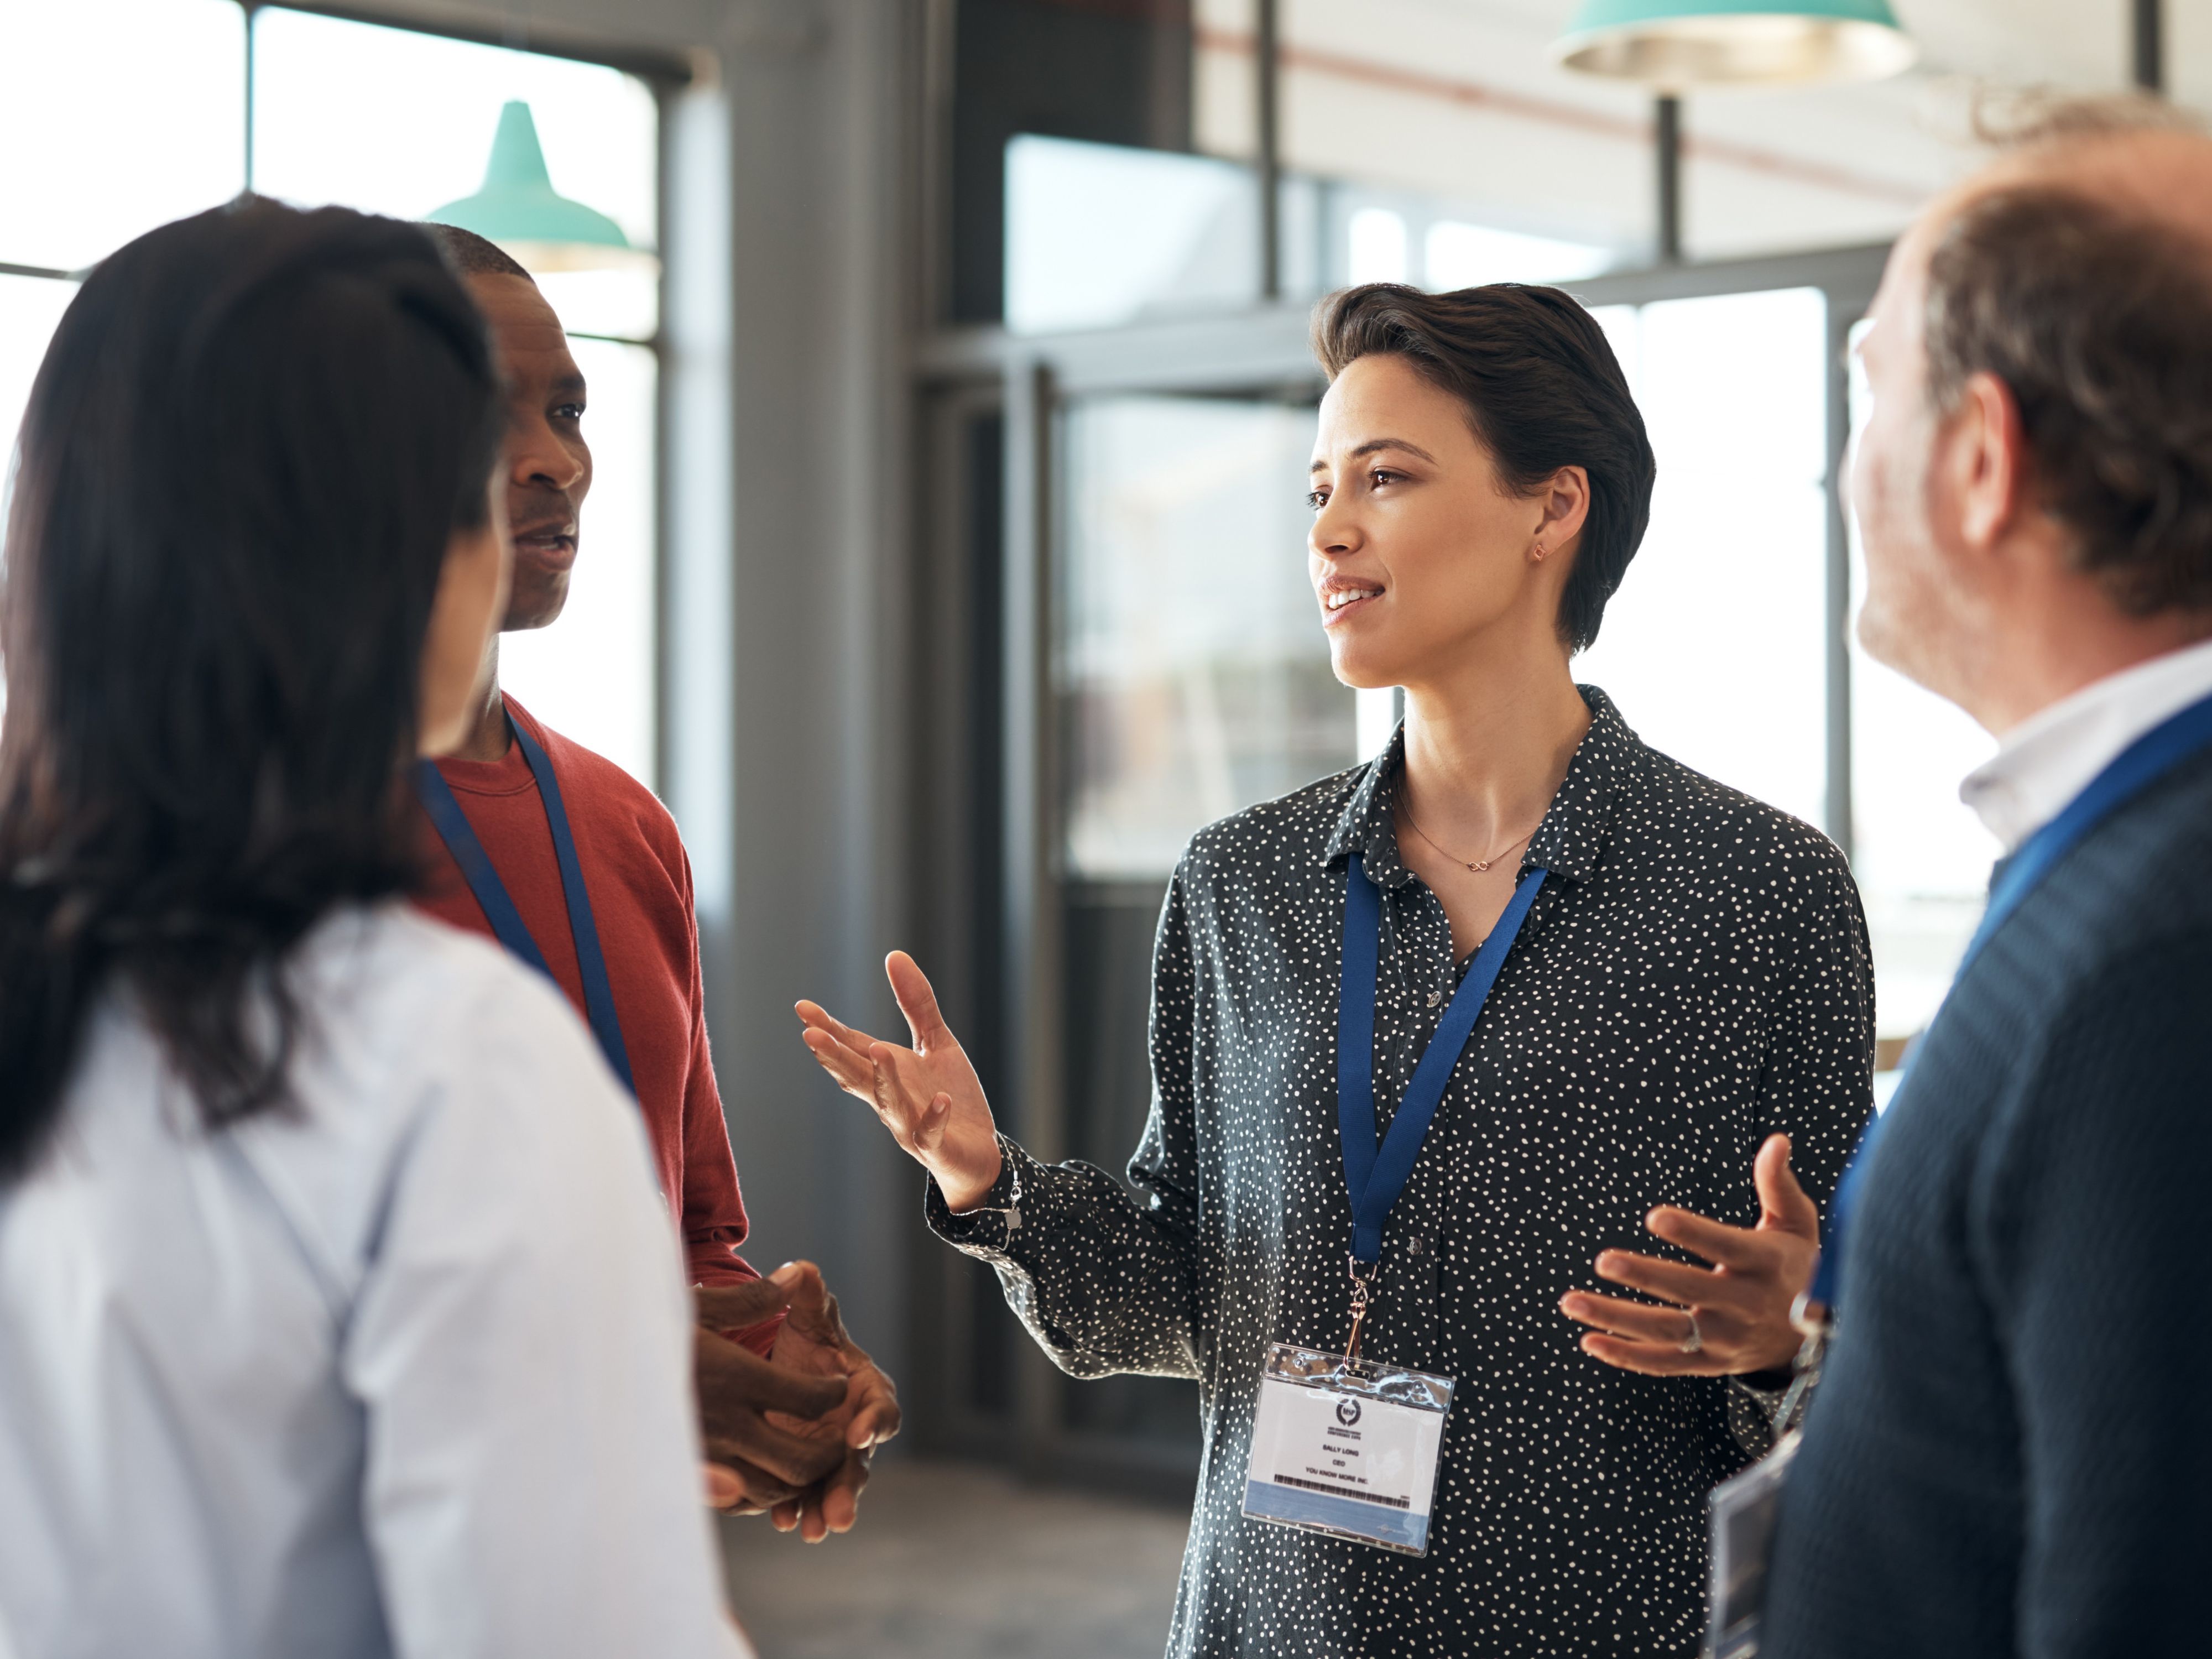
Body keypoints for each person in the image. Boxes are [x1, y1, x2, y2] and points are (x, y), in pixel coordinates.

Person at [799, 283, 1875, 1655]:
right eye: (1319, 489)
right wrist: (981, 1176)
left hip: (1610, 1622)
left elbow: (1868, 1345)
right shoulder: (1240, 885)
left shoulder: (1757, 891)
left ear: (1552, 508)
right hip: (1276, 1621)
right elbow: (1180, 1297)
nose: (1326, 531)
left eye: (1385, 478)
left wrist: (1796, 1333)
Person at [0, 200, 766, 1655]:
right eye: (456, 451)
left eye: (567, 413)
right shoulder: (443, 1064)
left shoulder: (59, 975)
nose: (542, 471)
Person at [1756, 103, 2212, 1658]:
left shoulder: (2153, 963)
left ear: (1976, 461)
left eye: (1869, 382)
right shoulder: (2129, 861)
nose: (1845, 461)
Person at [415, 225, 896, 1538]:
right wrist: (602, 1375)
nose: (555, 461)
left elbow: (685, 1238)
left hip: (606, 1564)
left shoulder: (621, 823)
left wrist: (780, 1374)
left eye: (569, 411)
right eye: (488, 413)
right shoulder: (232, 837)